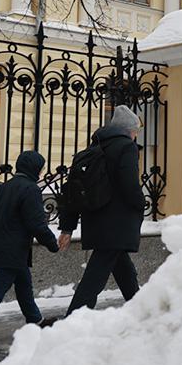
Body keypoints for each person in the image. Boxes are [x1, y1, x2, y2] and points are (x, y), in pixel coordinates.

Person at [0, 150, 59, 350]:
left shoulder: (4, 187)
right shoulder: (30, 189)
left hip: (1, 247)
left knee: (24, 284)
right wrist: (52, 243)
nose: (41, 173)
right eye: (40, 168)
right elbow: (36, 223)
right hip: (13, 249)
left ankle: (36, 321)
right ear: (34, 168)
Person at [58, 105, 146, 314]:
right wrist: (140, 204)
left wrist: (67, 228)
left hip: (95, 220)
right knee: (95, 275)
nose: (135, 136)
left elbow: (72, 191)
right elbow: (129, 184)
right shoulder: (126, 147)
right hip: (117, 222)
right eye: (135, 131)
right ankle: (74, 318)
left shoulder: (91, 150)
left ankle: (141, 309)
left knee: (121, 266)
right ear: (128, 130)